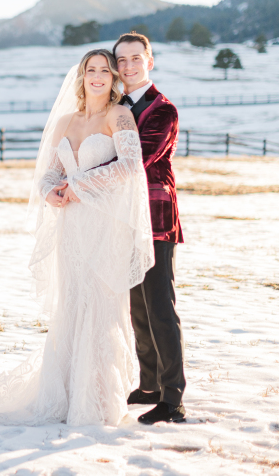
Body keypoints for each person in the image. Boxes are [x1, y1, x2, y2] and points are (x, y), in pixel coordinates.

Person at [0, 49, 154, 426]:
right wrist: (51, 192)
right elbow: (50, 174)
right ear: (80, 76)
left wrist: (79, 185)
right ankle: (64, 393)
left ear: (114, 79)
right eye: (90, 70)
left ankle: (96, 400)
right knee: (73, 304)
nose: (97, 76)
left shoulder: (120, 116)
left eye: (104, 71)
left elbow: (129, 166)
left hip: (103, 224)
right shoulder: (66, 121)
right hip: (71, 227)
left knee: (100, 306)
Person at [111, 32, 186, 425]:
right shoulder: (116, 106)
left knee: (159, 307)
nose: (128, 67)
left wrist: (85, 180)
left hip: (155, 217)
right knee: (137, 306)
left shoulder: (163, 110)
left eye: (135, 58)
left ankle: (173, 399)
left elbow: (135, 160)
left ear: (149, 61)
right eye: (121, 60)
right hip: (124, 217)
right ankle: (150, 384)